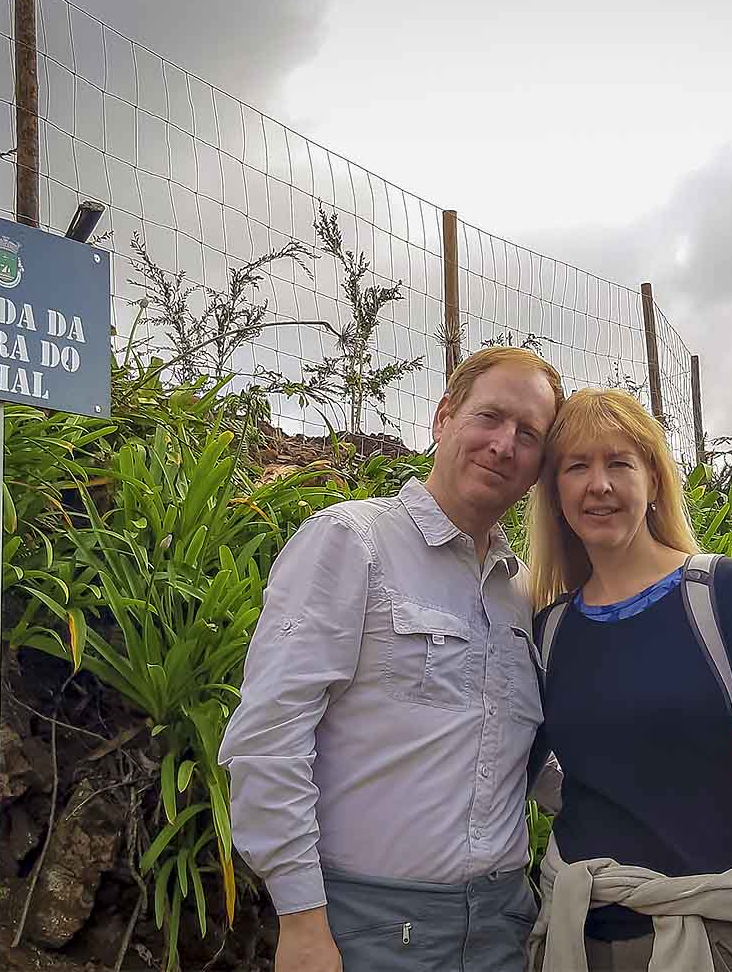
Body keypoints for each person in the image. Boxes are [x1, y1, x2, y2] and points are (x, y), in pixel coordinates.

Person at [218, 346, 565, 972]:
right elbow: (269, 737)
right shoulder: (352, 542)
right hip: (368, 930)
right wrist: (301, 921)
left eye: (529, 434)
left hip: (503, 928)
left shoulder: (525, 594)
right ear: (442, 419)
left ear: (541, 465)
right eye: (489, 417)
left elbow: (536, 761)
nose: (503, 444)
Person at [525, 388, 732, 972]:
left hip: (717, 938)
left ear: (654, 479)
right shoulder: (551, 631)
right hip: (579, 938)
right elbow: (522, 768)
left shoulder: (724, 596)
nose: (599, 484)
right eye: (577, 467)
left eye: (619, 463)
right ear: (556, 491)